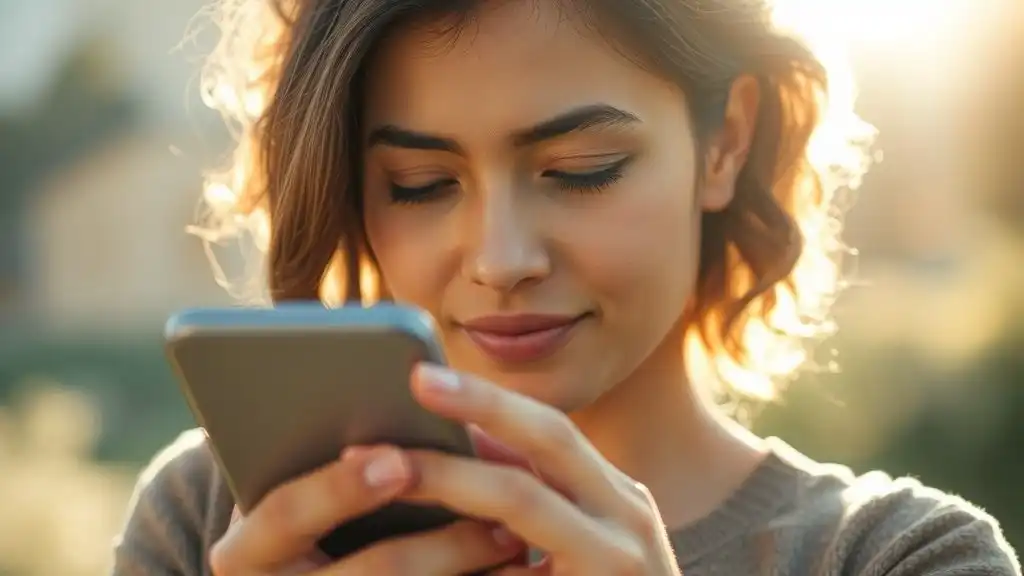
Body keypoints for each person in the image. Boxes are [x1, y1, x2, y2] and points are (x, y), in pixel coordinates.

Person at [112, 0, 1020, 574]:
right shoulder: (215, 521)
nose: (501, 258)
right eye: (421, 186)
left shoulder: (901, 557)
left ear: (725, 143)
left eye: (583, 169)